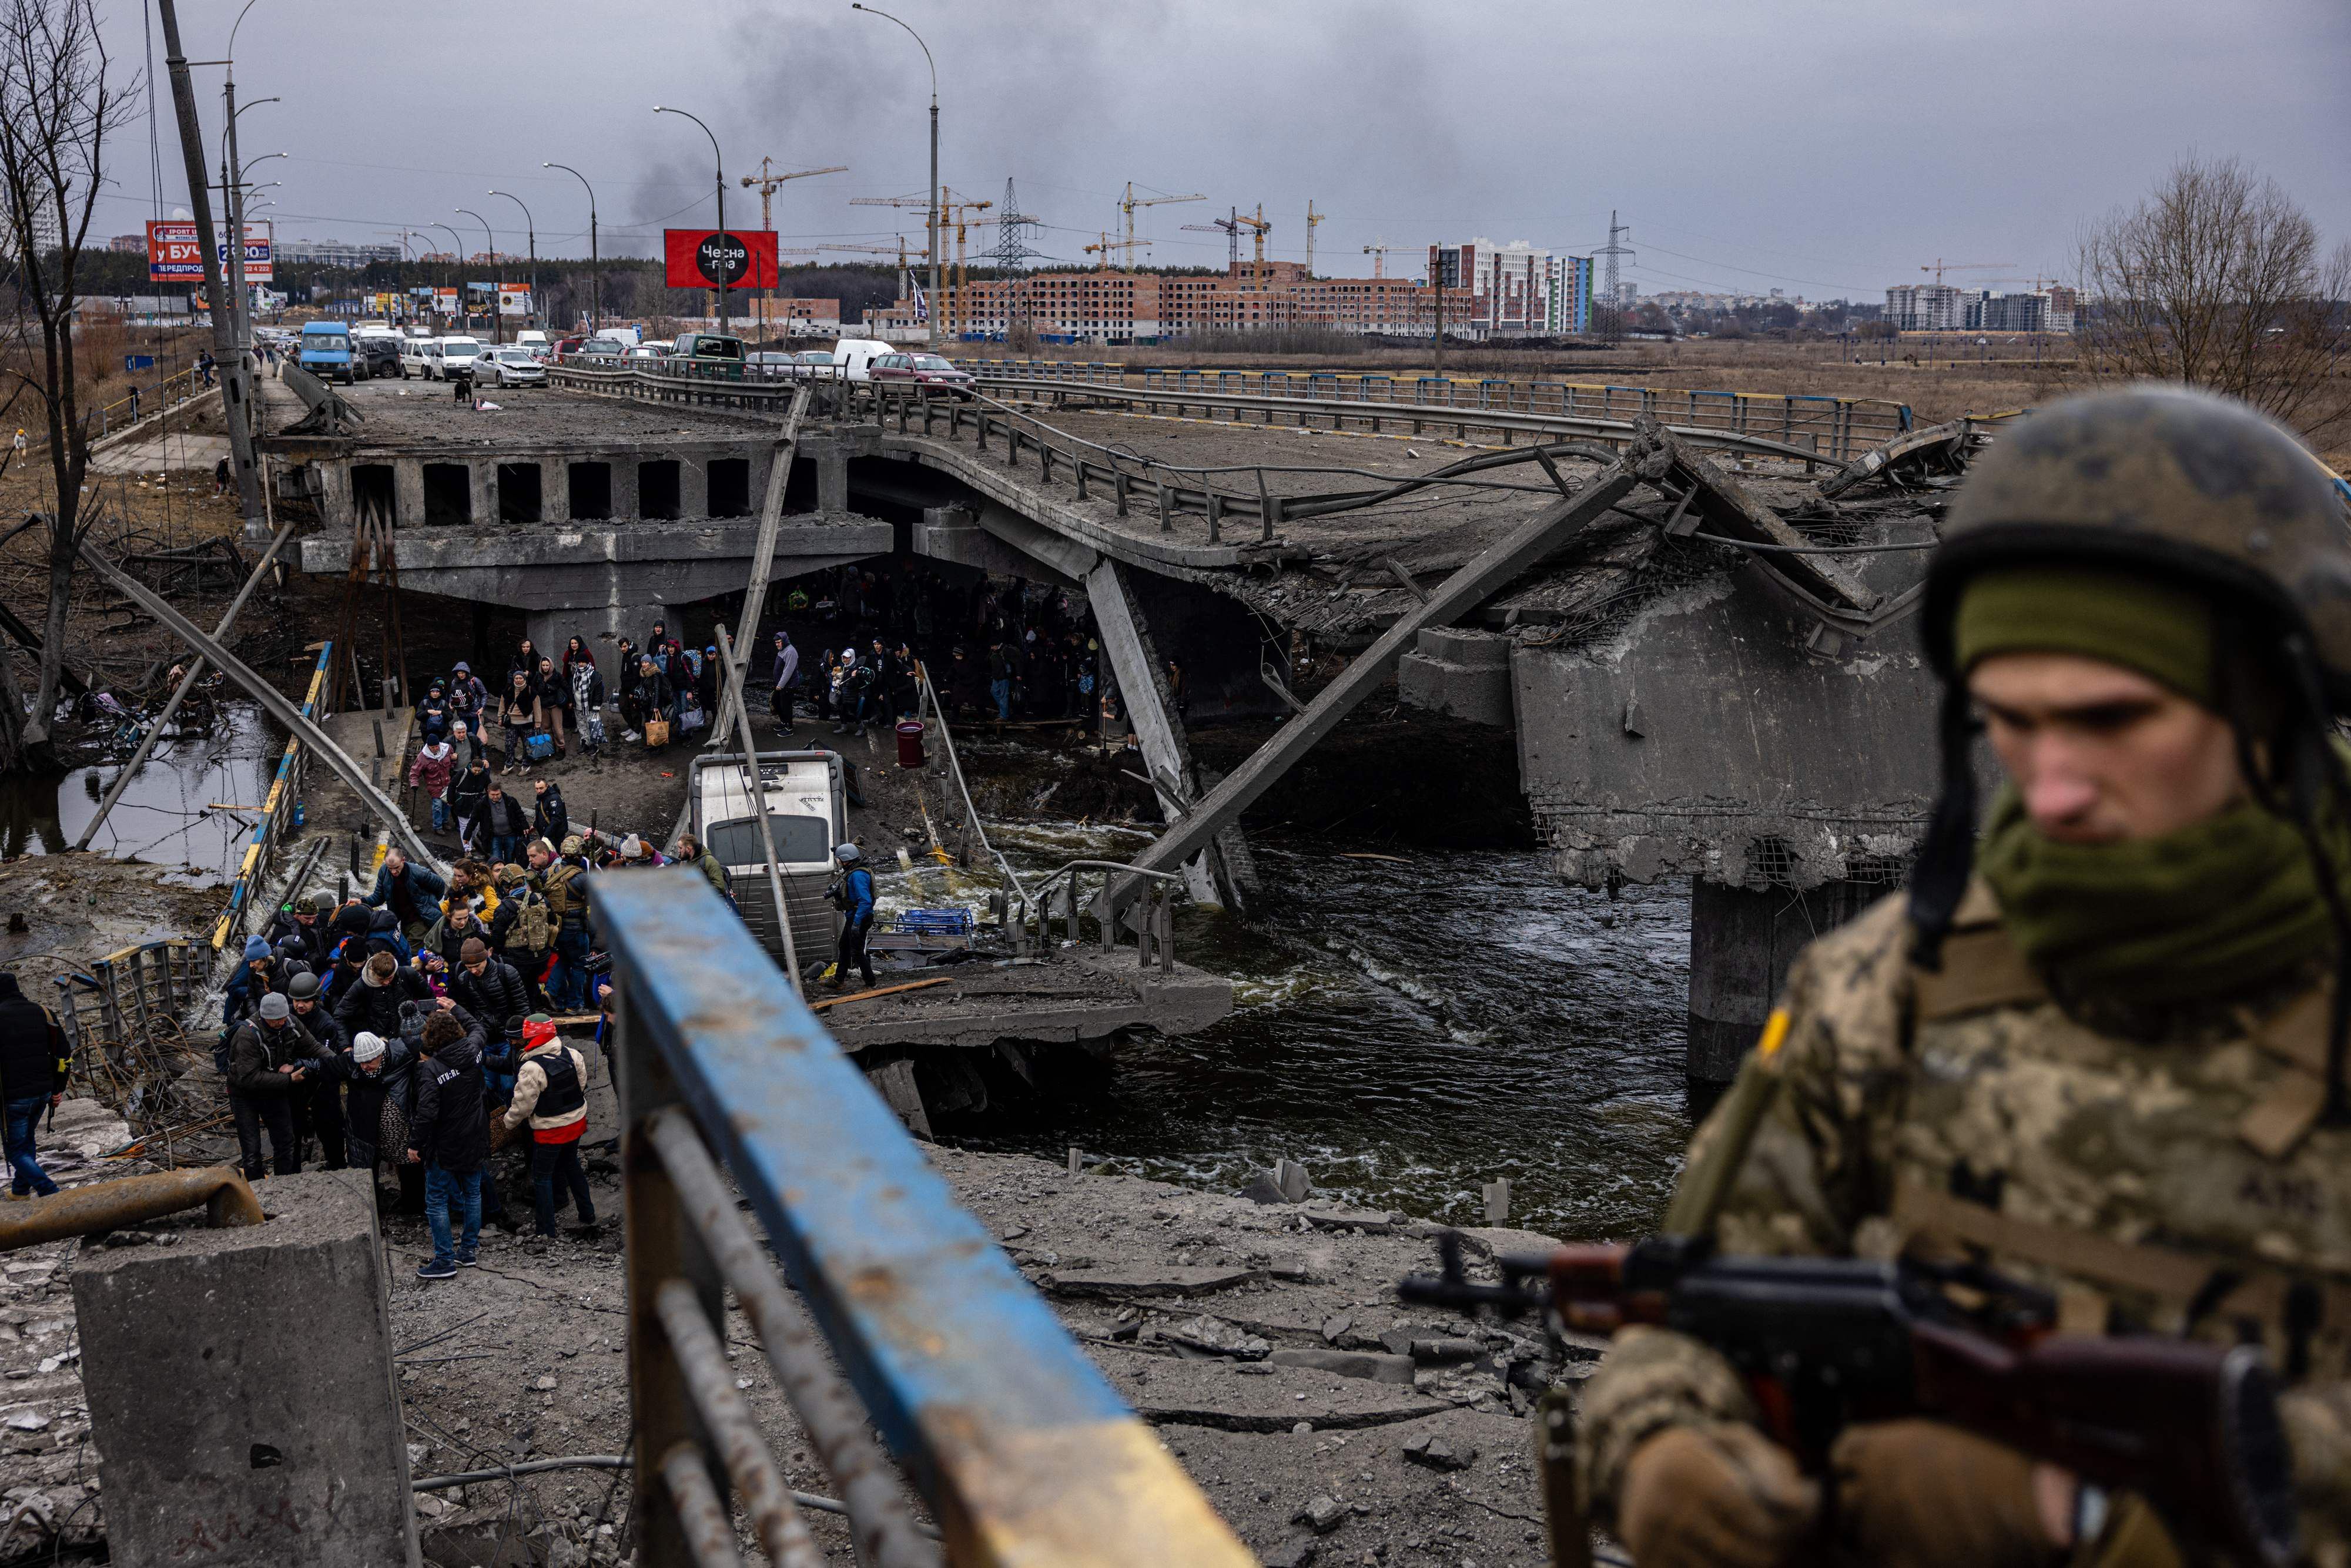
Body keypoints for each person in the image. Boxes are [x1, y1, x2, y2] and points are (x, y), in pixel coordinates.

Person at [1574, 387, 2351, 1568]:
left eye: (2110, 718)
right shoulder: (1885, 989)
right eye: (2010, 721)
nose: (2051, 784)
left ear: (2272, 699)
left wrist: (2098, 1512)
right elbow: (1702, 1298)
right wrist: (1660, 1442)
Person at [407, 1006, 491, 1279]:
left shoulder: (432, 1069)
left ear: (431, 1039)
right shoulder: (474, 1049)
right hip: (475, 1136)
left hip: (445, 1145)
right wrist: (456, 1008)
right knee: (473, 1193)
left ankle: (444, 1259)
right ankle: (468, 1251)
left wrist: (415, 1144)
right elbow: (479, 1028)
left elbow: (427, 1112)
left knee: (436, 1199)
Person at [501, 1017, 597, 1238]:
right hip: (576, 1122)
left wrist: (507, 1123)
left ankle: (546, 1229)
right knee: (572, 1165)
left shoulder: (531, 1068)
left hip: (550, 1130)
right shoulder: (573, 1055)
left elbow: (523, 1106)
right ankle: (588, 1214)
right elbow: (581, 1084)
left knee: (542, 1177)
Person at [225, 991, 330, 1180]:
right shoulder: (247, 1035)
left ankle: (284, 1185)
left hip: (274, 1090)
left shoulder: (291, 1024)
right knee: (252, 1151)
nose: (281, 1022)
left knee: (286, 1142)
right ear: (264, 1016)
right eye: (275, 1020)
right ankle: (256, 1190)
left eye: (283, 1018)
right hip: (244, 1095)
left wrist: (339, 1061)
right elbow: (249, 1078)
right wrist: (289, 1080)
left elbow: (314, 1048)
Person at [0, 973, 66, 1201]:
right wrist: (58, 1088)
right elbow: (63, 1054)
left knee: (15, 1151)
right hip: (43, 1093)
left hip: (13, 1098)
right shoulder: (44, 1012)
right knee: (27, 1142)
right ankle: (20, 1191)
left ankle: (49, 1191)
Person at [282, 971, 349, 1171]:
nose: (300, 1005)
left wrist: (296, 1065)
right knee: (292, 1131)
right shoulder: (286, 1017)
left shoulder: (326, 1023)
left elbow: (325, 1059)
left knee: (330, 1129)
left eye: (306, 1001)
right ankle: (292, 1173)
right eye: (296, 1001)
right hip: (295, 1085)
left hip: (322, 1084)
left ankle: (337, 1166)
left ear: (316, 1000)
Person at [534, 839, 590, 1011]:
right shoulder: (581, 878)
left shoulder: (549, 872)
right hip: (576, 928)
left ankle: (551, 992)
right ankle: (576, 1005)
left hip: (556, 928)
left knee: (564, 959)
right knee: (579, 965)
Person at [365, 847, 448, 946]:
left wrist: (430, 902)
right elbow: (379, 897)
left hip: (422, 918)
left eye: (396, 867)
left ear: (403, 860)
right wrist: (362, 901)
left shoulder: (419, 873)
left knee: (412, 949)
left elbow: (440, 885)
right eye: (390, 868)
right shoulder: (384, 872)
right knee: (404, 947)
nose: (393, 872)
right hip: (404, 920)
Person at [828, 842, 875, 991]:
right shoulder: (852, 872)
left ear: (846, 859)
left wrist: (856, 923)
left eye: (839, 859)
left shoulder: (858, 875)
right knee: (844, 946)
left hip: (859, 917)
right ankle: (838, 980)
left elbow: (865, 901)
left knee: (857, 951)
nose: (839, 862)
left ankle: (871, 982)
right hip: (854, 916)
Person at [408, 735, 456, 835]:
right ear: (428, 746)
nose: (435, 749)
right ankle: (438, 827)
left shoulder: (447, 749)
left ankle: (445, 822)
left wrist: (452, 766)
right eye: (432, 747)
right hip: (434, 786)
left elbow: (453, 759)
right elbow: (415, 772)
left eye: (436, 746)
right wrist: (414, 784)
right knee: (437, 806)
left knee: (447, 805)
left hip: (447, 783)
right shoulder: (423, 757)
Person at [622, 656, 674, 745]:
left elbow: (657, 690)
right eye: (643, 663)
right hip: (647, 702)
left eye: (646, 662)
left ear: (650, 663)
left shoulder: (655, 673)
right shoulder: (643, 673)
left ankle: (659, 745)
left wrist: (656, 706)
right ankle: (652, 743)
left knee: (655, 724)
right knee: (649, 723)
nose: (644, 664)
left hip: (654, 702)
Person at [568, 648, 606, 758]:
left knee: (592, 726)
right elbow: (572, 689)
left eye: (583, 662)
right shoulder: (575, 675)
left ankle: (594, 746)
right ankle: (585, 743)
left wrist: (597, 705)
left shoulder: (594, 674)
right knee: (582, 726)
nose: (581, 664)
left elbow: (599, 691)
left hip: (589, 706)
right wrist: (571, 701)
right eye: (579, 662)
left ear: (587, 662)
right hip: (578, 706)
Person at [498, 670, 540, 771]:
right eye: (516, 678)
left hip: (527, 723)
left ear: (524, 679)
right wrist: (500, 718)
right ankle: (508, 765)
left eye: (521, 678)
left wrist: (538, 722)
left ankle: (526, 766)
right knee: (509, 744)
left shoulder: (530, 690)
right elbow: (502, 704)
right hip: (511, 723)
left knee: (527, 746)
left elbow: (537, 707)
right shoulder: (508, 689)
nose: (518, 680)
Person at [451, 756, 492, 855]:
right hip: (463, 803)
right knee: (465, 826)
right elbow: (452, 785)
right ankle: (467, 849)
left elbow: (489, 787)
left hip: (477, 803)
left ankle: (470, 841)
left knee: (476, 826)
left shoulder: (484, 775)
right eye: (475, 770)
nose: (477, 772)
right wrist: (451, 800)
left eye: (479, 771)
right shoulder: (463, 773)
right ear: (471, 767)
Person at [481, 782, 528, 865]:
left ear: (501, 791)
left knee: (510, 857)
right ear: (488, 792)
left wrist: (525, 826)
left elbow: (519, 814)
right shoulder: (482, 804)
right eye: (493, 795)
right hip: (494, 836)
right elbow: (474, 819)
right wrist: (467, 835)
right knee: (497, 859)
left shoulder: (510, 801)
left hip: (510, 834)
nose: (495, 797)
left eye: (498, 794)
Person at [534, 655, 570, 758]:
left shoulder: (557, 675)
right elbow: (533, 689)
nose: (545, 667)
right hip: (543, 706)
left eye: (547, 665)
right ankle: (551, 747)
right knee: (546, 729)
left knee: (558, 730)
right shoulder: (538, 676)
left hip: (555, 706)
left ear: (551, 665)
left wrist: (570, 701)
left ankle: (561, 748)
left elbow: (566, 687)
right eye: (543, 665)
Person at [675, 832, 728, 900]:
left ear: (688, 849)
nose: (679, 851)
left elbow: (719, 887)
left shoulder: (709, 861)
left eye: (680, 848)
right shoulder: (684, 863)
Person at [769, 631, 800, 733]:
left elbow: (788, 671)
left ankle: (789, 728)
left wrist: (780, 685)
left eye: (779, 642)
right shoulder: (783, 650)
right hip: (781, 684)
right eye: (776, 643)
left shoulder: (791, 652)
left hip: (789, 685)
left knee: (786, 706)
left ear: (784, 641)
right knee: (775, 701)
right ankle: (784, 722)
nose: (777, 645)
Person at [531, 778, 570, 847]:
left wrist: (546, 835)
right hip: (547, 834)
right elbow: (540, 813)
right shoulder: (541, 796)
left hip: (555, 835)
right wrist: (535, 825)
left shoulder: (554, 799)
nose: (539, 791)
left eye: (541, 788)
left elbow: (556, 819)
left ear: (547, 786)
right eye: (537, 789)